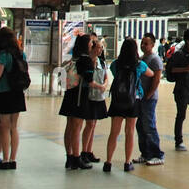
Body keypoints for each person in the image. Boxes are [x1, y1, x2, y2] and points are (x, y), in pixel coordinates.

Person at [105, 37, 152, 172]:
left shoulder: (116, 64)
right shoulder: (139, 64)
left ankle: (108, 162)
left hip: (117, 100)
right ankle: (127, 162)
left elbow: (114, 74)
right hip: (133, 100)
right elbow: (151, 73)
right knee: (130, 132)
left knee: (114, 132)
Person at [0, 26, 26, 169]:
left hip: (4, 92)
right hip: (17, 92)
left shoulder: (4, 54)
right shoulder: (20, 54)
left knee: (4, 128)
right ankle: (13, 159)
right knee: (13, 127)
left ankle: (5, 160)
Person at [60, 34, 96, 169]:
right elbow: (89, 79)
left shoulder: (73, 58)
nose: (92, 45)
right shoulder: (86, 60)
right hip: (80, 95)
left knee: (69, 126)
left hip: (70, 93)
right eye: (91, 43)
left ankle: (69, 157)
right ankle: (76, 157)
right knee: (77, 127)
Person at [134, 33, 166, 166]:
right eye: (142, 43)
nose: (143, 45)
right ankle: (145, 153)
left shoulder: (155, 59)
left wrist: (148, 95)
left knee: (149, 125)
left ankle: (157, 154)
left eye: (146, 43)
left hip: (149, 99)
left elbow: (157, 79)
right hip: (140, 98)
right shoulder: (141, 59)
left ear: (153, 45)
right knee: (140, 125)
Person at [80, 35, 108, 164]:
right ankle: (84, 152)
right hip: (89, 96)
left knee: (94, 124)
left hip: (99, 96)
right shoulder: (87, 62)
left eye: (101, 48)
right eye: (98, 48)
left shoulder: (102, 62)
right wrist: (100, 86)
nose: (100, 50)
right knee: (89, 124)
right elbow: (88, 81)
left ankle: (89, 151)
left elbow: (106, 76)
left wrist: (104, 85)